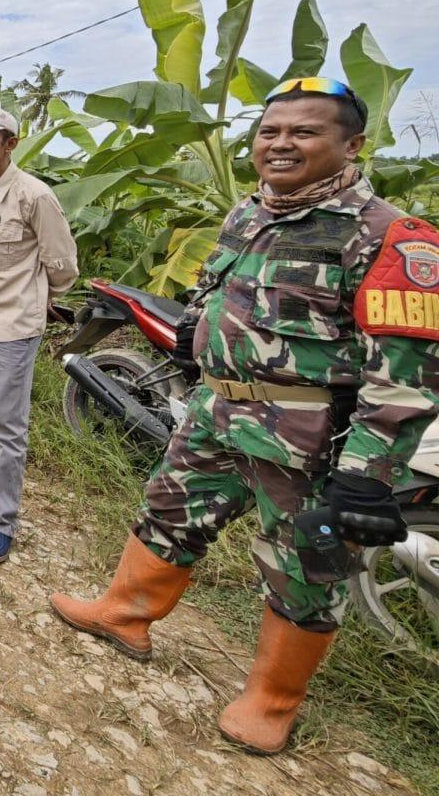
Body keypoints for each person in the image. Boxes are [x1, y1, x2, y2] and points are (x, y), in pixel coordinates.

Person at [50, 79, 439, 755]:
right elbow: (215, 294)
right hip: (217, 413)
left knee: (304, 569)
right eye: (270, 130)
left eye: (304, 132)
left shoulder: (387, 236)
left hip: (307, 440)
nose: (281, 143)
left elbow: (407, 374)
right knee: (168, 510)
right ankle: (125, 613)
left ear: (353, 145)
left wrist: (367, 476)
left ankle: (272, 703)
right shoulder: (247, 214)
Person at [0, 106, 78, 563]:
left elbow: (63, 264)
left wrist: (37, 294)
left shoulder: (33, 196)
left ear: (11, 143)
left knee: (8, 423)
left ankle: (2, 520)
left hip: (15, 327)